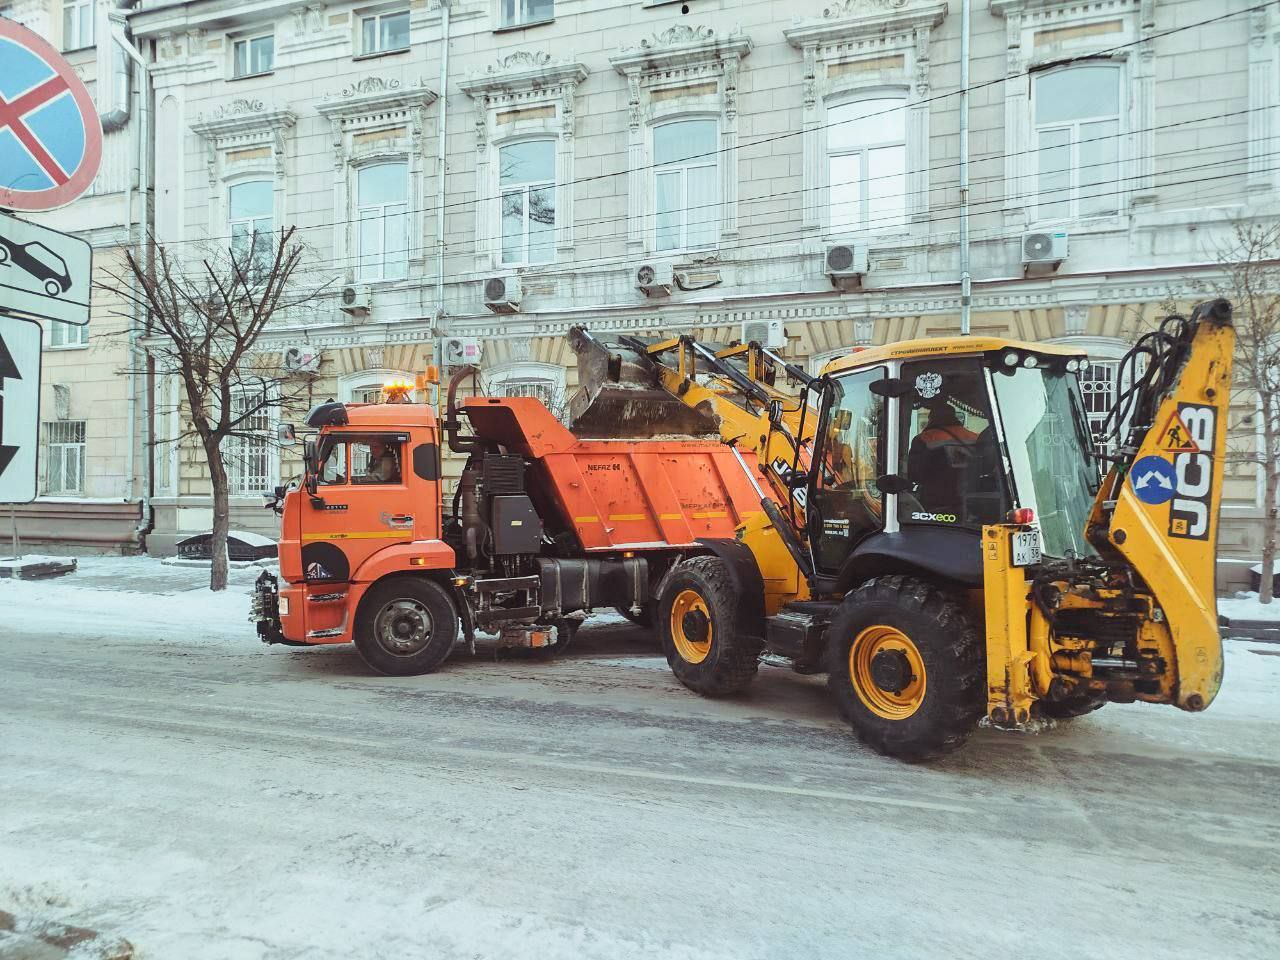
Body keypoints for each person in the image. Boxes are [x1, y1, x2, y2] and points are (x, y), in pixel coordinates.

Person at [907, 400, 978, 516]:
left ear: (932, 418)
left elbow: (914, 472)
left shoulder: (924, 438)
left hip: (936, 500)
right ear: (954, 417)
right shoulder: (974, 437)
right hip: (969, 498)